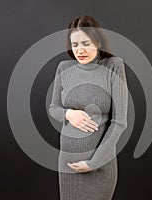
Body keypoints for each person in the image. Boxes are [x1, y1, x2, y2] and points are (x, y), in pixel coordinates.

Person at [49, 15, 128, 200]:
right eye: (75, 45)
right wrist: (69, 114)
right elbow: (53, 108)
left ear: (97, 41)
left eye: (85, 43)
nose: (80, 50)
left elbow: (119, 123)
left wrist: (93, 163)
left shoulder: (113, 66)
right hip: (68, 164)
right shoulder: (64, 68)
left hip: (99, 164)